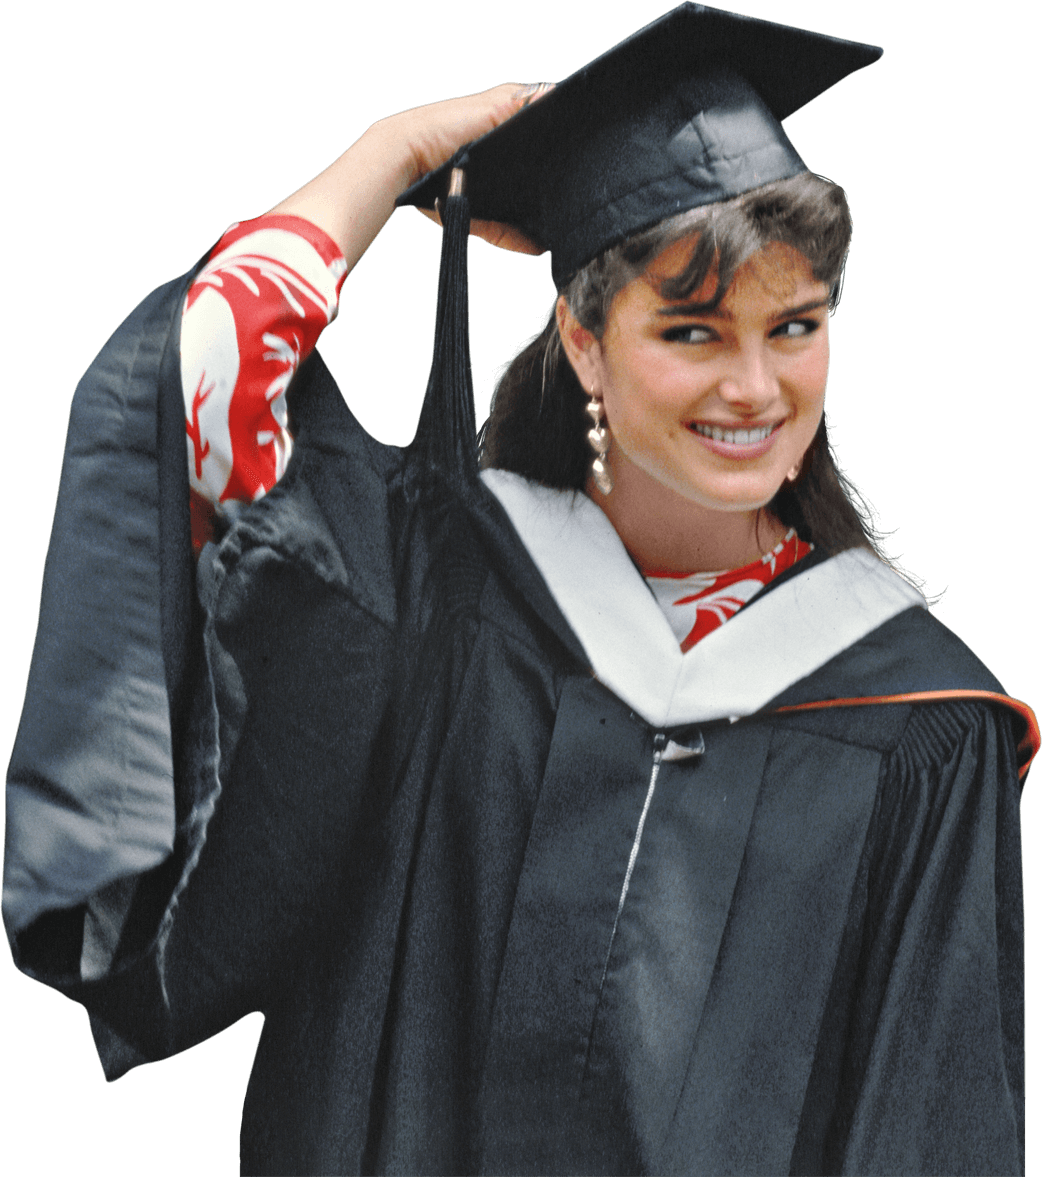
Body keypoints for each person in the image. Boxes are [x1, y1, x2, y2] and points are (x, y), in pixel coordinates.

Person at [3, 5, 1032, 1174]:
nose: (754, 386)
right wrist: (387, 160)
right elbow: (212, 369)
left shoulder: (920, 724)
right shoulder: (442, 596)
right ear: (584, 342)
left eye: (793, 326)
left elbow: (933, 1132)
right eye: (691, 331)